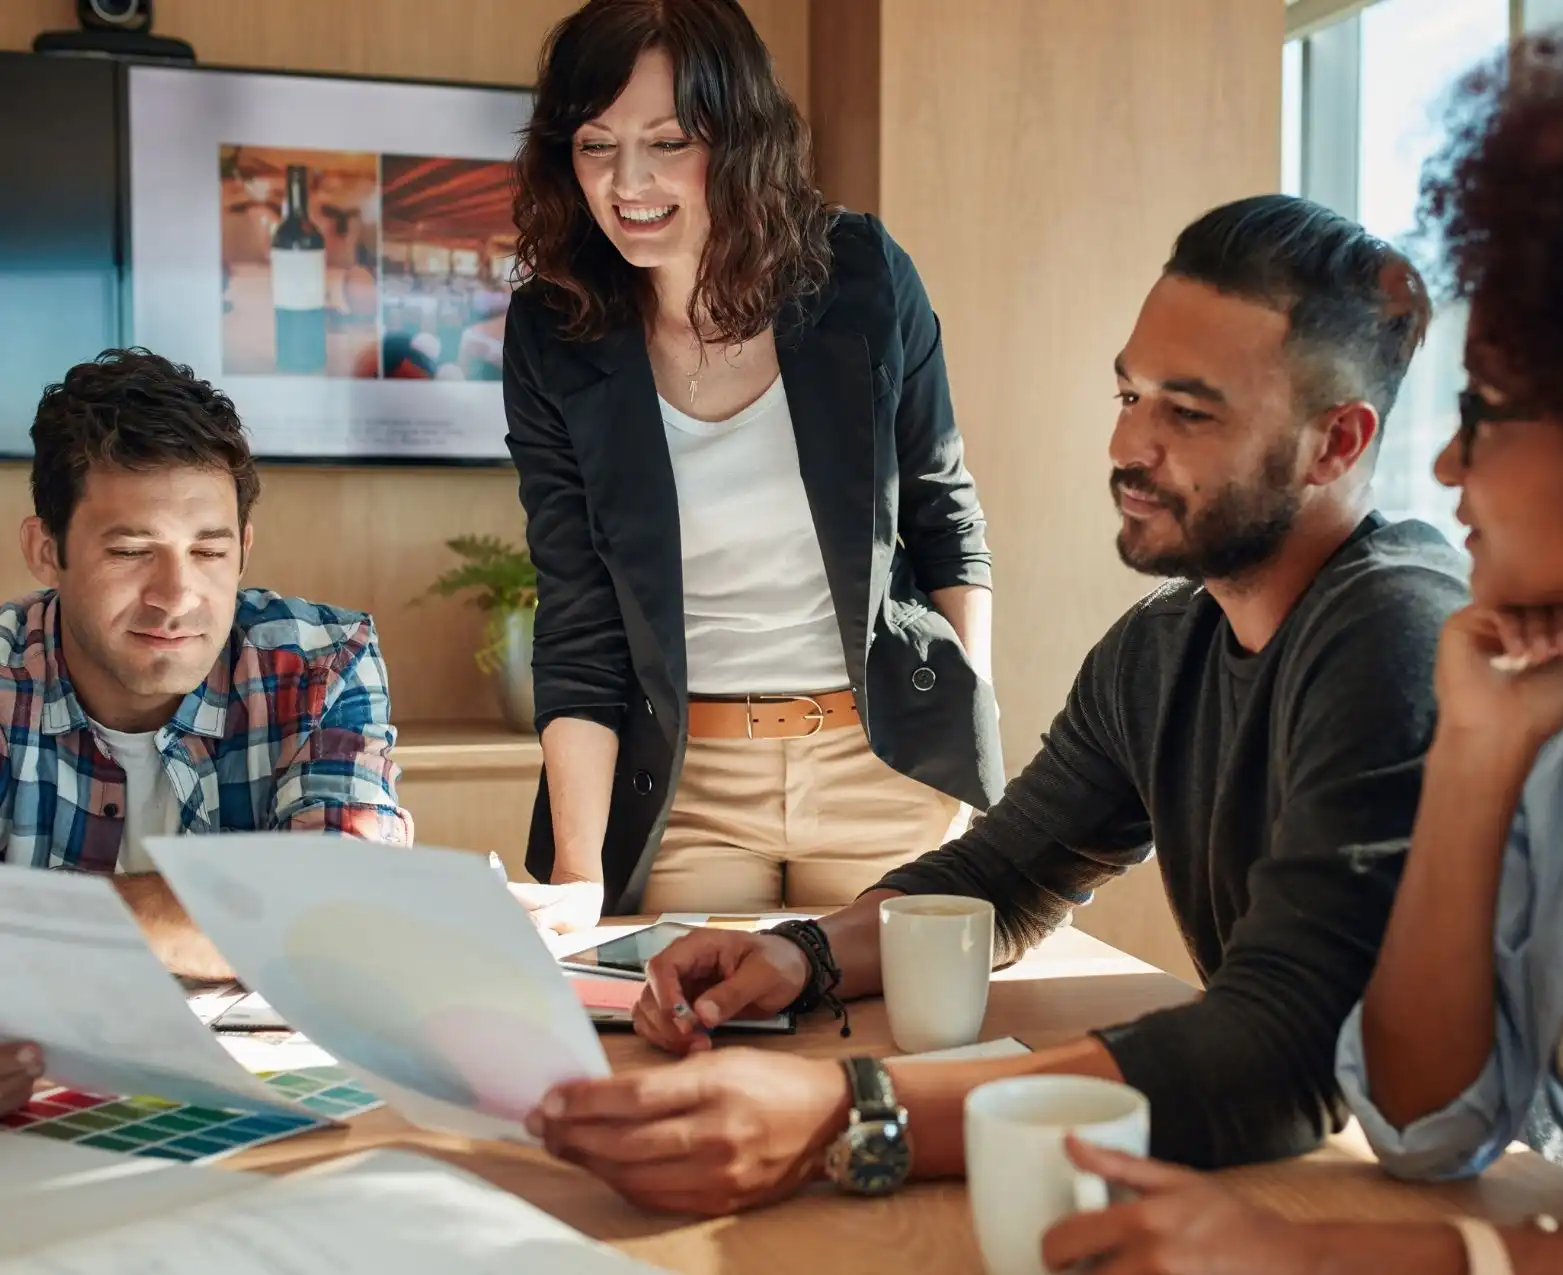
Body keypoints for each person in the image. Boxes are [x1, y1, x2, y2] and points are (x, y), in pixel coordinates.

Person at [523, 193, 1471, 1215]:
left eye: (1188, 412)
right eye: (1128, 396)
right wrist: (795, 956)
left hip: (1447, 1205)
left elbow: (1284, 1048)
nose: (1130, 448)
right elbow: (1002, 873)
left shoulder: (1396, 633)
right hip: (1296, 1176)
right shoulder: (1161, 649)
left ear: (1338, 444)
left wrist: (847, 1109)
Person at [893, 26, 1563, 1275]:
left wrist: (1336, 1258)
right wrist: (1475, 751)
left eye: (1492, 419)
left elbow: (1314, 1067)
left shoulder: (1396, 619)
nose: (1451, 465)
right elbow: (1429, 1125)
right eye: (1130, 393)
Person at [502, 0, 1002, 933]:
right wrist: (577, 874)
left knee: (902, 1051)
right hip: (688, 785)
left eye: (669, 140)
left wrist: (965, 744)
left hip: (883, 764)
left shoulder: (861, 275)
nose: (629, 182)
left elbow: (945, 521)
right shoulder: (554, 328)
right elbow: (576, 610)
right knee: (690, 1041)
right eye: (595, 146)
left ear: (738, 139)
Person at [0, 348, 413, 980]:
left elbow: (340, 920)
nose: (177, 596)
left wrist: (36, 918)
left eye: (209, 552)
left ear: (243, 549)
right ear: (45, 549)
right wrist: (242, 912)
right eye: (133, 551)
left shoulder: (323, 664)